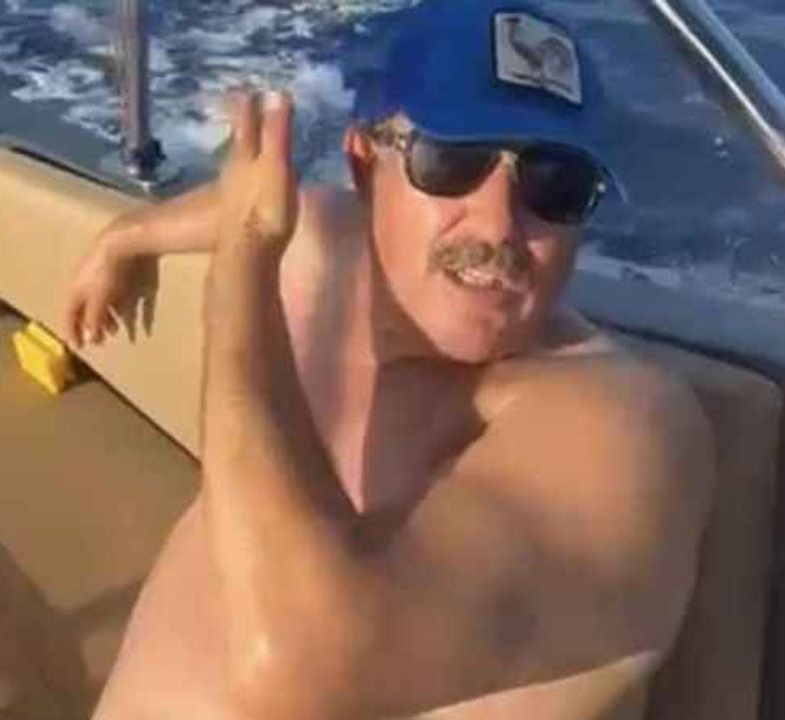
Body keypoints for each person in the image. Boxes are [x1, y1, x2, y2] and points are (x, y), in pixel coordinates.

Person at [67, 1, 715, 718]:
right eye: (451, 163)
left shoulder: (625, 425)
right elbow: (290, 212)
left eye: (555, 184)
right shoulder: (334, 249)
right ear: (364, 165)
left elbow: (302, 661)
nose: (498, 224)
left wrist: (244, 263)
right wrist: (127, 239)